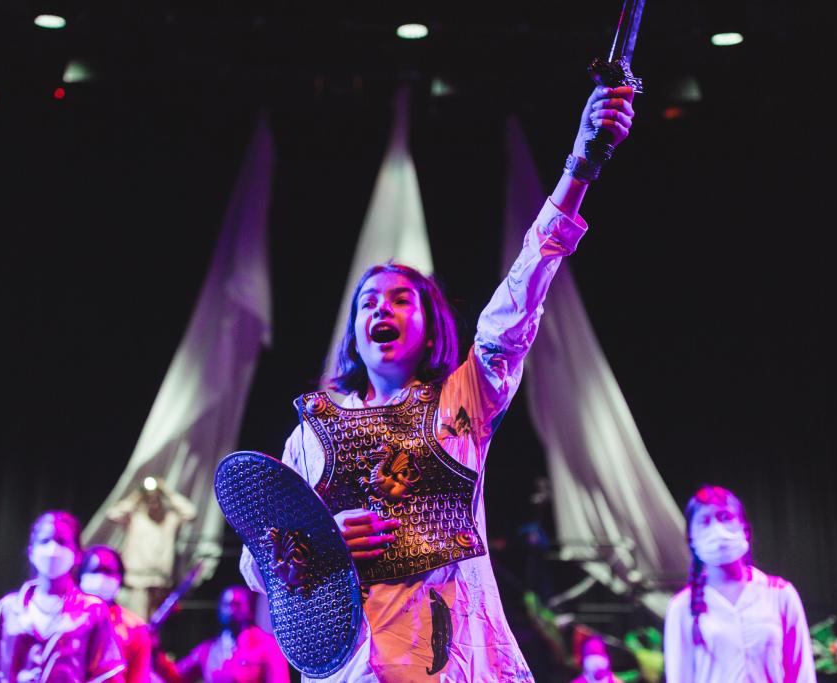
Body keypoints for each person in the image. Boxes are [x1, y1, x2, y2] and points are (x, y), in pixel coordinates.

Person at [239, 84, 637, 682]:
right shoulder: (312, 434)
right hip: (352, 665)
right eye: (369, 301)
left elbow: (518, 301)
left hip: (448, 657)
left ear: (430, 328)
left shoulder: (463, 400)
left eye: (402, 299)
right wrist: (316, 541)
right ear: (354, 332)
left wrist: (579, 165)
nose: (383, 309)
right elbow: (257, 564)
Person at [663, 485, 817, 683]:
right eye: (705, 521)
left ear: (744, 527)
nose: (717, 530)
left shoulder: (780, 594)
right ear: (691, 538)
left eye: (725, 517)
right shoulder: (682, 607)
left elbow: (802, 674)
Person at [0, 510, 126, 682]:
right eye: (45, 541)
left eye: (61, 542)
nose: (52, 550)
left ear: (77, 554)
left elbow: (108, 676)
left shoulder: (92, 611)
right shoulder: (7, 609)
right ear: (31, 551)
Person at [153, 585, 289, 683]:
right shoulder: (208, 650)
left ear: (249, 608)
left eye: (237, 604)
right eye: (226, 604)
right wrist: (155, 649)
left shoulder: (268, 647)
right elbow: (177, 677)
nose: (230, 608)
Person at [107, 476, 198, 619]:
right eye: (149, 498)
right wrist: (137, 494)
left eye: (157, 497)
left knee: (155, 631)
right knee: (138, 623)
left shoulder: (170, 519)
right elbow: (113, 514)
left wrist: (167, 491)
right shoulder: (136, 518)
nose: (153, 501)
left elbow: (191, 512)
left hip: (161, 583)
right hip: (138, 583)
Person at [79, 544, 153, 683]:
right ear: (81, 575)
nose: (101, 577)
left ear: (120, 578)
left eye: (108, 572)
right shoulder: (65, 618)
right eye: (95, 571)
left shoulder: (135, 627)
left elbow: (139, 678)